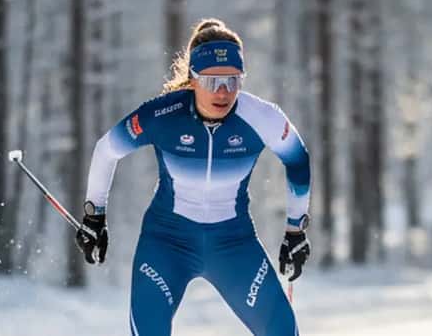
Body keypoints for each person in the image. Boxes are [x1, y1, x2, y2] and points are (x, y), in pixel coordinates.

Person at [77, 18, 311, 336]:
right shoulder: (162, 114)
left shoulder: (262, 117)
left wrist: (295, 231)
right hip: (167, 243)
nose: (224, 92)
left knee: (282, 331)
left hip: (233, 244)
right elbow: (107, 150)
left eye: (233, 80)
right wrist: (95, 216)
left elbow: (298, 161)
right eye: (213, 82)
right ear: (193, 79)